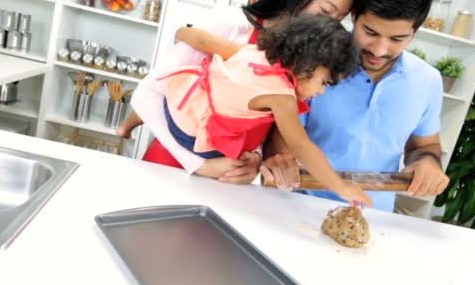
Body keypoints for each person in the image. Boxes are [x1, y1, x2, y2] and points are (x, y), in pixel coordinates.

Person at [120, 0, 360, 183]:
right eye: (325, 12)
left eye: (337, 20)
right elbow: (146, 95)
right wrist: (201, 166)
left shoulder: (303, 66)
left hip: (222, 186)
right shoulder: (232, 25)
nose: (327, 26)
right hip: (170, 168)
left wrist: (253, 160)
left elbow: (253, 125)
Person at [262, 0, 450, 211]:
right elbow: (283, 132)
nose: (379, 49)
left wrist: (428, 162)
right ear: (353, 15)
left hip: (375, 217)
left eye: (397, 38)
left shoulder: (427, 81)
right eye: (370, 32)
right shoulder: (315, 62)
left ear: (415, 32)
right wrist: (280, 158)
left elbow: (424, 145)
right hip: (299, 207)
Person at [138, 14, 372, 206]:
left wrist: (180, 32)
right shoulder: (282, 97)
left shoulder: (252, 52)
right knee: (238, 168)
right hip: (192, 137)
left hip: (178, 107)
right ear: (308, 66)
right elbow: (302, 147)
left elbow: (200, 39)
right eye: (324, 83)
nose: (321, 92)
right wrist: (341, 187)